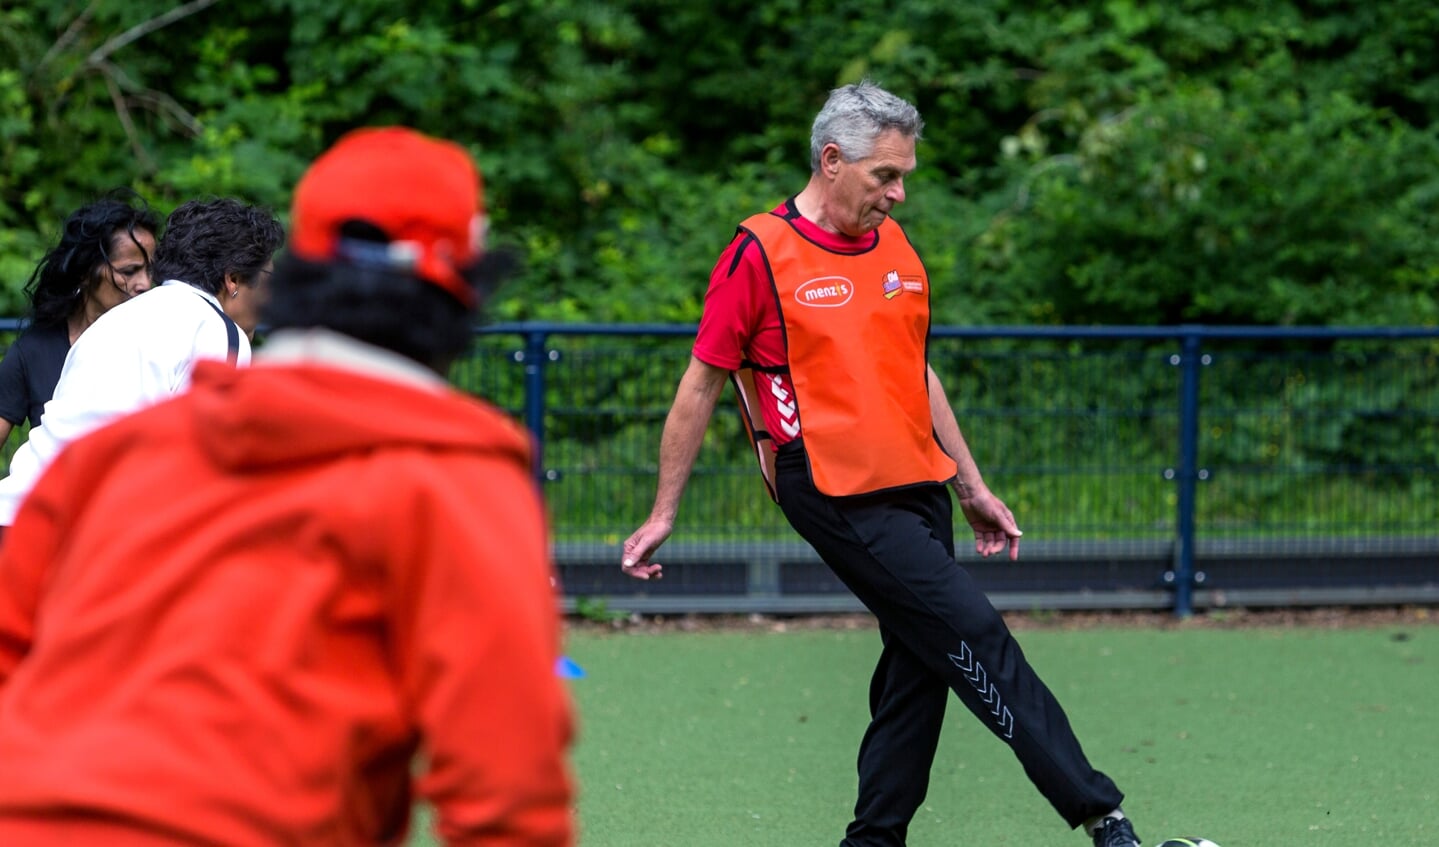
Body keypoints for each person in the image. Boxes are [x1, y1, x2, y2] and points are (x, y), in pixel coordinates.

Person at [0, 127, 574, 846]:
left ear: (301, 270)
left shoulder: (112, 454)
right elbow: (507, 797)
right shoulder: (462, 483)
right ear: (469, 283)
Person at [620, 81, 1142, 847]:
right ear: (832, 161)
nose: (897, 195)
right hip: (832, 489)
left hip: (918, 484)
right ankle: (1103, 816)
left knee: (918, 663)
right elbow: (700, 382)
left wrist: (970, 483)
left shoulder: (894, 248)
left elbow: (917, 371)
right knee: (972, 632)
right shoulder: (756, 254)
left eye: (903, 177)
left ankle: (872, 841)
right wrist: (664, 510)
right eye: (884, 177)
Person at [0, 196, 284, 527]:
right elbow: (209, 466)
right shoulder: (217, 329)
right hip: (74, 531)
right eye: (267, 280)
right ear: (232, 279)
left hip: (18, 514)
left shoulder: (116, 319)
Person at [0, 191, 159, 443]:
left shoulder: (161, 348)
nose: (144, 284)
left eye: (151, 271)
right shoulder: (34, 351)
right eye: (130, 271)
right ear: (85, 271)